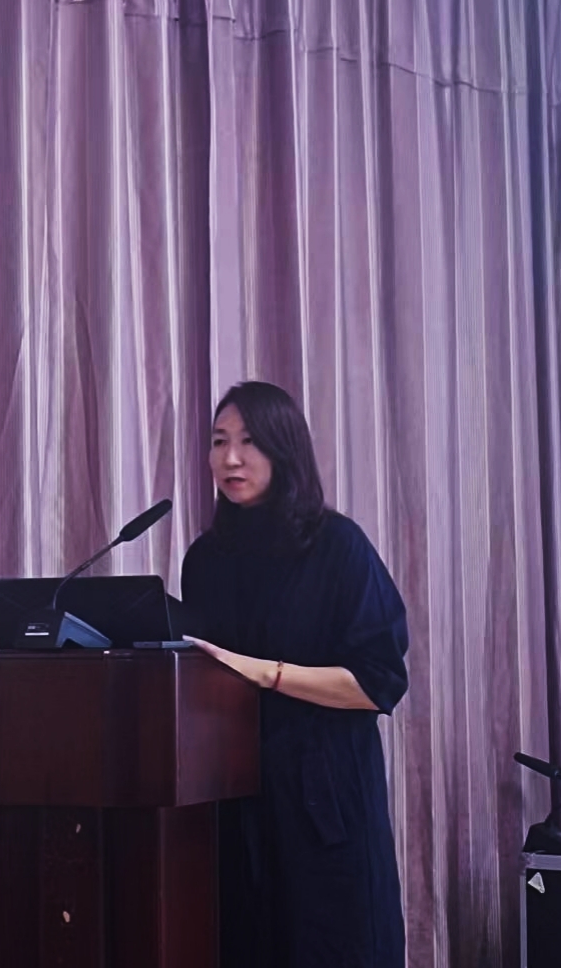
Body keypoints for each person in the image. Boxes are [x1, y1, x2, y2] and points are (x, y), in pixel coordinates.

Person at [181, 381, 408, 968]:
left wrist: (268, 674)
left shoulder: (339, 547)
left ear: (284, 450)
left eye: (250, 442)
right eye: (219, 441)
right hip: (235, 803)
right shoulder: (205, 560)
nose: (231, 458)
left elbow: (378, 683)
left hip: (323, 801)